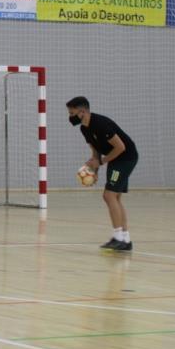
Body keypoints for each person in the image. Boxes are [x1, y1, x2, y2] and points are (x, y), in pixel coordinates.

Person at [67, 96, 138, 251]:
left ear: (82, 111)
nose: (70, 117)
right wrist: (95, 170)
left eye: (72, 113)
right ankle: (125, 239)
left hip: (126, 158)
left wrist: (101, 162)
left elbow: (120, 147)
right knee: (115, 197)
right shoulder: (84, 128)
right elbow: (96, 151)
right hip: (116, 159)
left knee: (109, 195)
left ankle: (118, 238)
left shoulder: (100, 124)